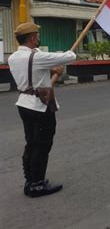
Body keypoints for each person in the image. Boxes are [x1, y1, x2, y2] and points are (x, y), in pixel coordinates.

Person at [8, 23, 76, 198]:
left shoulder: (14, 57)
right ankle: (37, 184)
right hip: (39, 106)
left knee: (31, 143)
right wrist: (62, 59)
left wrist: (53, 70)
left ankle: (30, 180)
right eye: (37, 36)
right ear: (32, 39)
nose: (38, 38)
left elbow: (35, 71)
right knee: (42, 145)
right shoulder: (36, 57)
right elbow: (69, 56)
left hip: (24, 103)